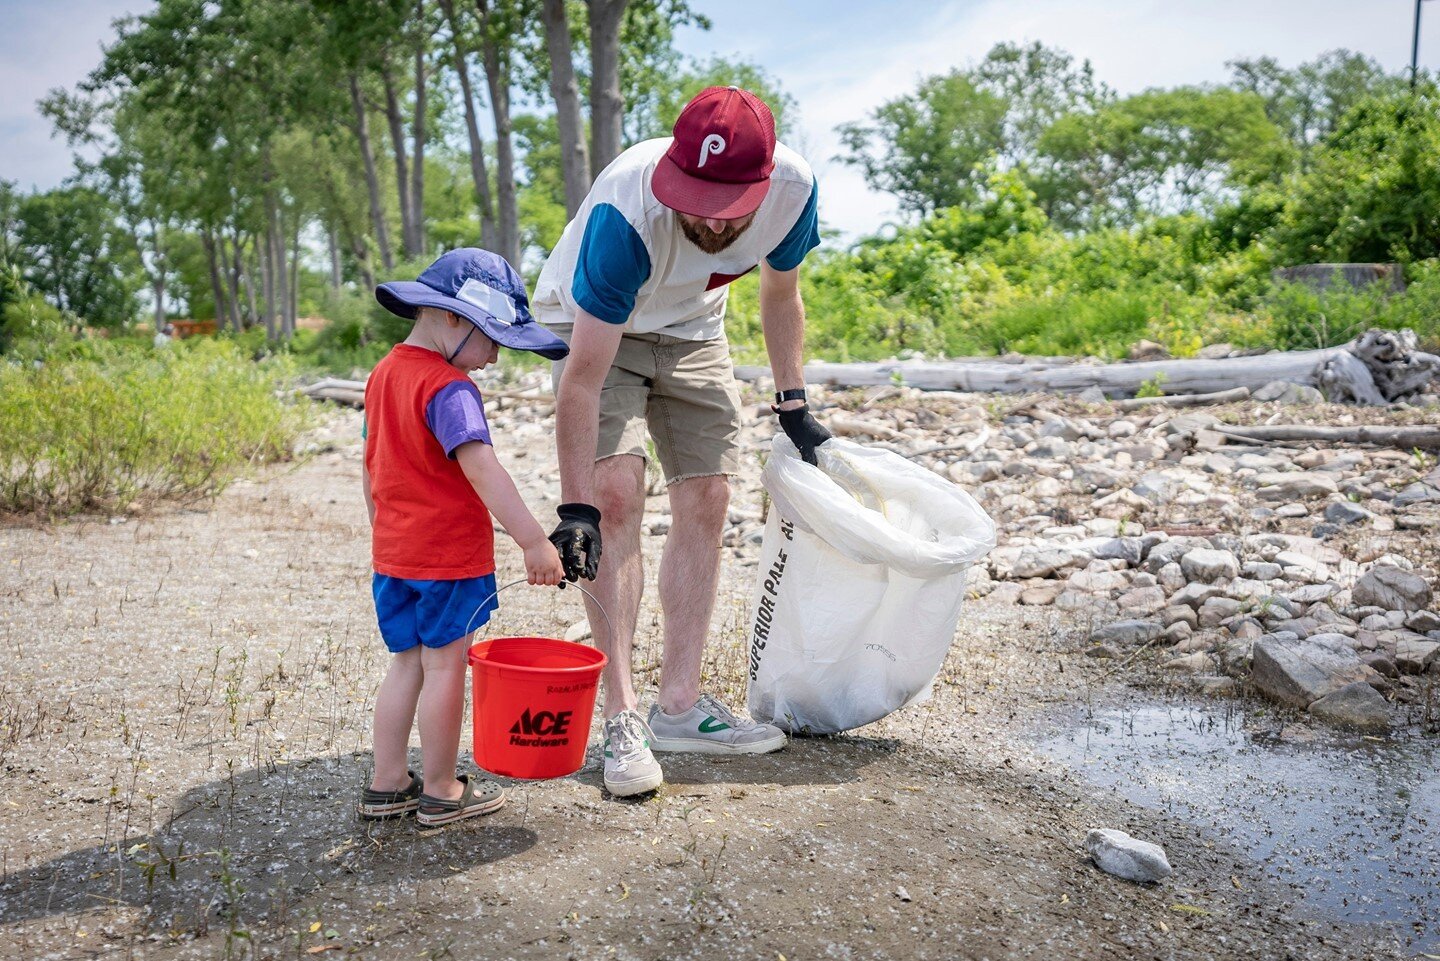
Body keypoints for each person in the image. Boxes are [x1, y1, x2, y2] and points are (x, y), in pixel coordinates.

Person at [532, 86, 833, 797]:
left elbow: (780, 292)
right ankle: (622, 713)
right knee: (614, 494)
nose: (701, 213)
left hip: (695, 328)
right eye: (689, 193)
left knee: (710, 493)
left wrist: (792, 399)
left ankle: (679, 705)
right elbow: (581, 381)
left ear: (761, 185)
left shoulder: (794, 192)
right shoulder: (627, 212)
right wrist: (575, 508)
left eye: (721, 203)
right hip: (597, 327)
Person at [358, 248, 569, 827]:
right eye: (493, 340)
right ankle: (443, 788)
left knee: (406, 665)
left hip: (394, 554)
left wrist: (385, 533)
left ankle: (387, 782)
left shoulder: (382, 375)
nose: (496, 358)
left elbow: (371, 463)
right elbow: (483, 469)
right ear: (452, 319)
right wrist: (533, 541)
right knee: (446, 666)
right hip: (448, 558)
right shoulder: (448, 388)